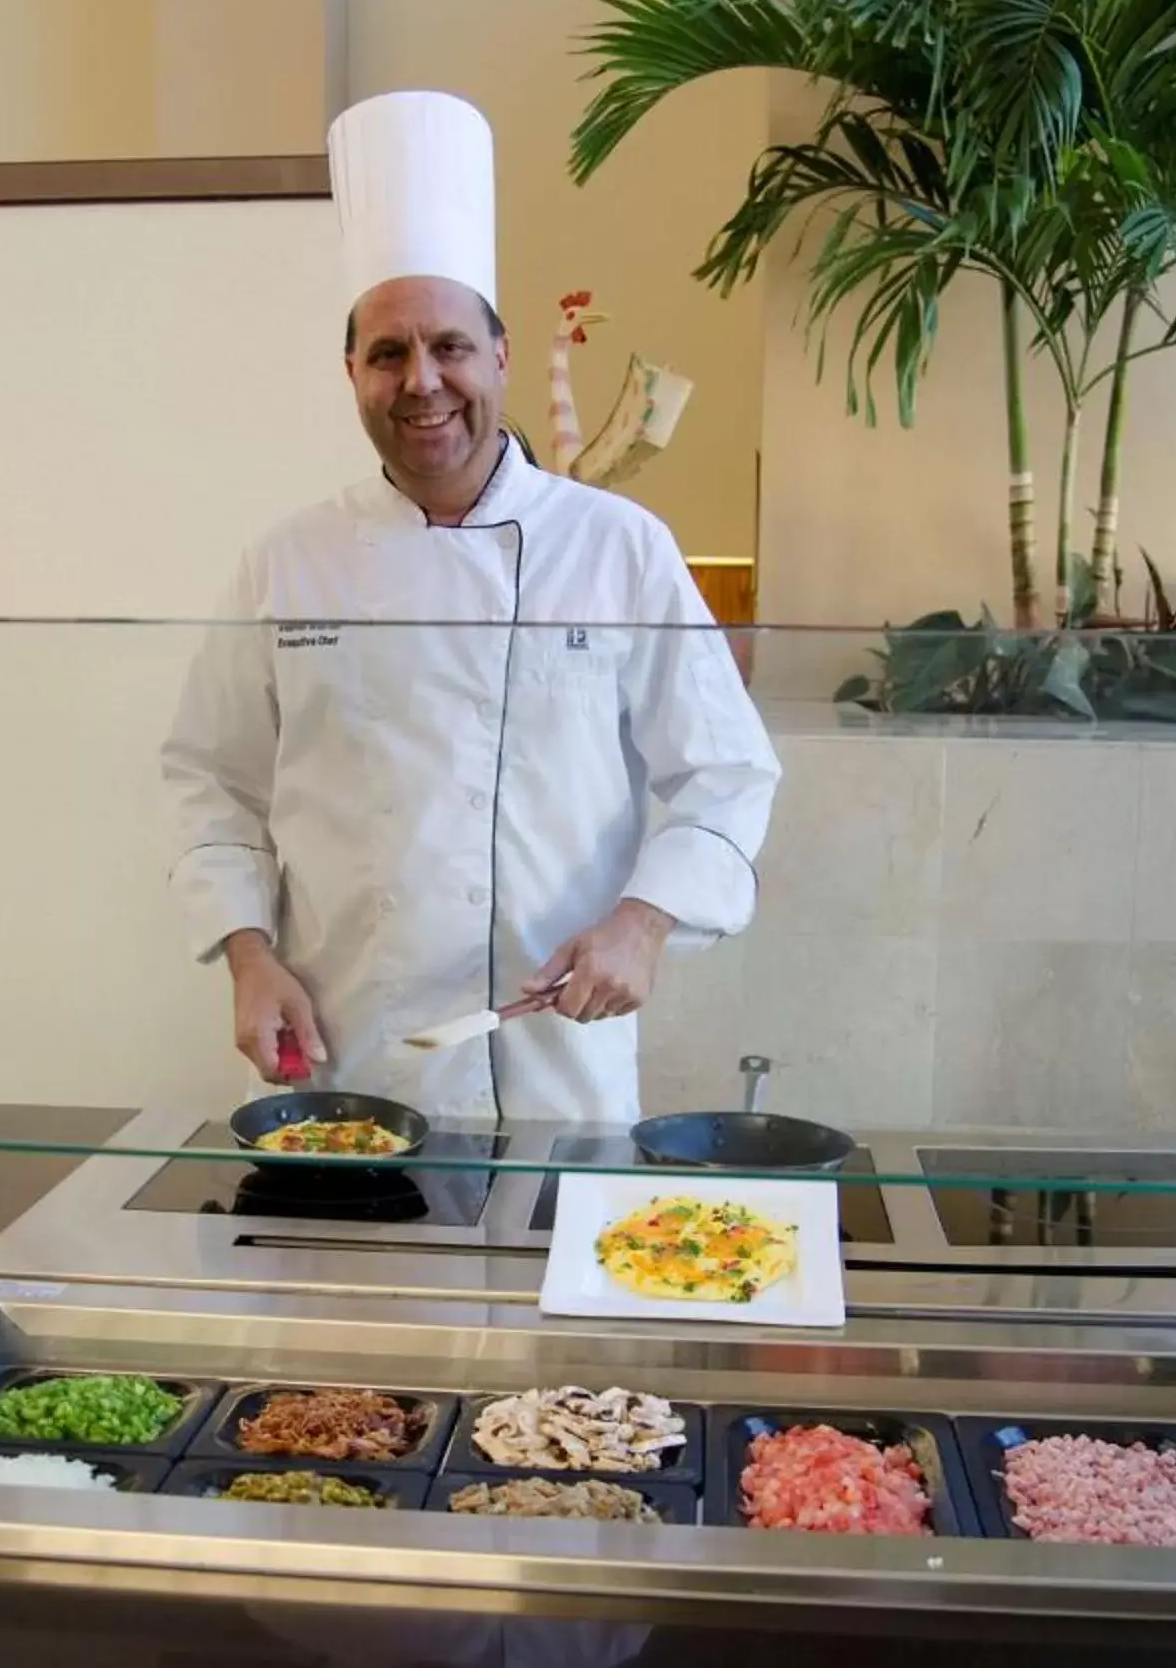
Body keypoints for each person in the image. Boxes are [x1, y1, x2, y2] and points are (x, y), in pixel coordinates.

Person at [160, 90, 780, 1123]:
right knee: (347, 1287)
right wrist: (246, 954)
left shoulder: (618, 547)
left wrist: (645, 920)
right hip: (343, 1049)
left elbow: (727, 771)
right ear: (351, 373)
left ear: (499, 355)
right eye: (389, 353)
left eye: (449, 346)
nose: (423, 381)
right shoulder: (288, 562)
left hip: (555, 1058)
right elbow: (207, 781)